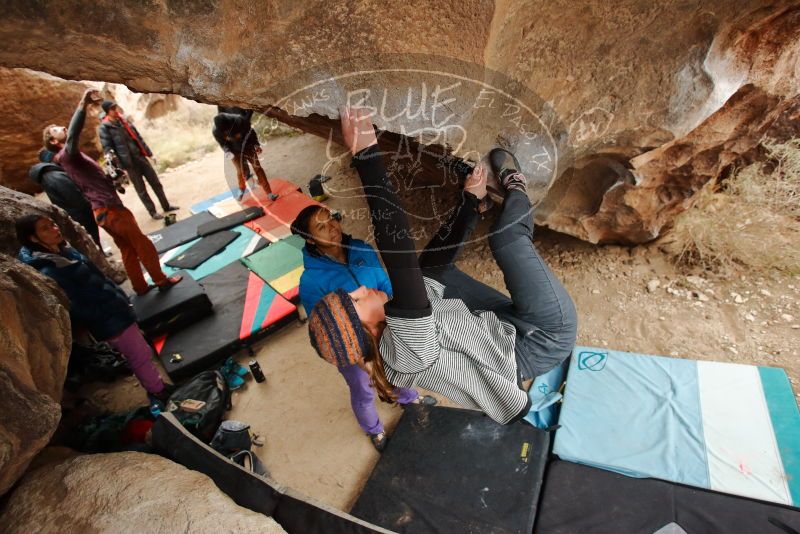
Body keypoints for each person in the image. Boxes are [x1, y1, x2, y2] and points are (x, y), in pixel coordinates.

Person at [307, 107, 578, 425]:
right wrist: (366, 155)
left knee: (426, 275)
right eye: (355, 300)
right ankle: (517, 185)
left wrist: (469, 204)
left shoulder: (394, 337)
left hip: (498, 329)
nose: (362, 290)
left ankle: (476, 202)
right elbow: (398, 250)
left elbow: (424, 269)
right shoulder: (406, 354)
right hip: (545, 337)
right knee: (507, 239)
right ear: (366, 329)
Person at [291, 205, 436, 451]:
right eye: (321, 227)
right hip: (352, 347)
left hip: (383, 326)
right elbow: (327, 330)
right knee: (364, 388)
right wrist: (361, 360)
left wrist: (395, 318)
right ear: (310, 239)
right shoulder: (311, 281)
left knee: (398, 366)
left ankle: (408, 399)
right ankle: (374, 429)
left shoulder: (362, 249)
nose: (332, 227)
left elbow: (384, 284)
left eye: (331, 218)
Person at [42, 88, 182, 295]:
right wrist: (83, 103)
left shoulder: (69, 160)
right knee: (142, 244)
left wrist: (112, 179)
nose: (62, 127)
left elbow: (91, 181)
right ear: (54, 142)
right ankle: (161, 280)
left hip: (102, 211)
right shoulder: (67, 155)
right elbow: (73, 134)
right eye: (56, 130)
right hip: (110, 209)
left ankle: (140, 287)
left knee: (127, 249)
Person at [16, 214, 171, 400]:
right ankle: (157, 391)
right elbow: (75, 307)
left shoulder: (63, 251)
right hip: (110, 319)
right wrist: (109, 310)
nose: (54, 229)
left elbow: (98, 277)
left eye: (52, 224)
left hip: (115, 309)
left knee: (140, 352)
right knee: (139, 355)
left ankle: (155, 385)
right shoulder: (50, 270)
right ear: (33, 238)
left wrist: (118, 297)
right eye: (45, 229)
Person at [97, 100, 179, 220]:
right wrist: (119, 167)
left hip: (140, 157)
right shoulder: (105, 128)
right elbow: (108, 149)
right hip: (129, 164)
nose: (115, 110)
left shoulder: (124, 121)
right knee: (141, 190)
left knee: (156, 183)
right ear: (107, 111)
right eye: (112, 109)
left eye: (115, 107)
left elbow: (138, 138)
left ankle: (166, 206)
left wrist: (149, 154)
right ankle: (153, 212)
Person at [29, 148, 101, 247]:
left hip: (75, 214)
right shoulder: (55, 177)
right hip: (82, 214)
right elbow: (75, 197)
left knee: (92, 239)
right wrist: (91, 206)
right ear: (52, 158)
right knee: (93, 238)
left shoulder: (48, 176)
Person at [212, 110, 276, 201]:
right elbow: (223, 144)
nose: (226, 132)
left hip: (247, 147)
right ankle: (241, 190)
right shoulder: (216, 131)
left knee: (257, 167)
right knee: (241, 172)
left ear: (230, 123)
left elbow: (251, 132)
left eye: (227, 130)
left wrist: (256, 144)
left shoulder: (240, 121)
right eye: (224, 132)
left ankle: (269, 193)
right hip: (234, 151)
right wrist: (227, 151)